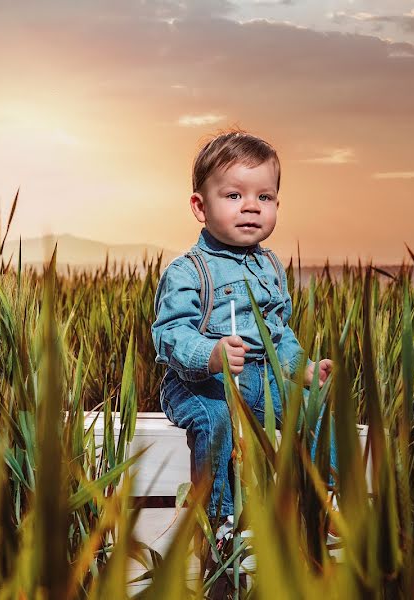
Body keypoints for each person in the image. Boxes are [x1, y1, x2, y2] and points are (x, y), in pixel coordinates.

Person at [151, 130, 338, 545]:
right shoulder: (188, 270)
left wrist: (301, 369)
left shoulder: (270, 265)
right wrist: (211, 354)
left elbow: (279, 332)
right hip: (202, 384)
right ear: (201, 207)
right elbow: (168, 333)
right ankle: (220, 520)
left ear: (276, 204)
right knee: (215, 422)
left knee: (314, 406)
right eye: (234, 196)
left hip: (265, 378)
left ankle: (321, 499)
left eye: (264, 197)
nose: (251, 207)